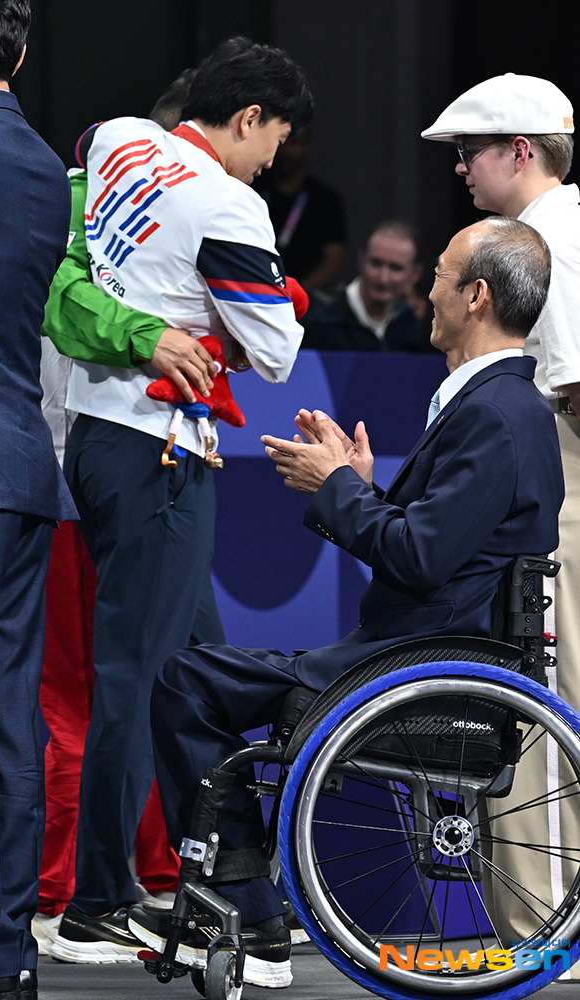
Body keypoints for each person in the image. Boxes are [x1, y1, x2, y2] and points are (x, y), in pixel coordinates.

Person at [126, 216, 564, 988]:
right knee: (196, 679)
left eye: (439, 273)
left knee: (185, 684)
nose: (428, 290)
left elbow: (420, 558)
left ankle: (247, 911)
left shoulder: (497, 414)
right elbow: (438, 546)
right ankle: (245, 903)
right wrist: (357, 487)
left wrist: (339, 488)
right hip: (420, 650)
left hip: (420, 664)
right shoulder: (496, 408)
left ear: (477, 296)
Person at [43, 36, 313, 963]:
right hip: (161, 454)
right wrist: (238, 298)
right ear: (246, 121)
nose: (269, 165)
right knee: (138, 680)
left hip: (99, 439)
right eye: (271, 145)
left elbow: (79, 263)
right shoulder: (229, 200)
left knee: (200, 676)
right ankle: (99, 899)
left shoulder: (114, 136)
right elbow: (275, 350)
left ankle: (228, 886)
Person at [33, 69, 196, 959]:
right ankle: (68, 898)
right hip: (71, 485)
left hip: (107, 482)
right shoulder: (72, 225)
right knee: (86, 696)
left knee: (131, 686)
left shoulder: (141, 237)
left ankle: (133, 883)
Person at [421, 73, 580, 969]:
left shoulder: (546, 240)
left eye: (468, 154)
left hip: (562, 489)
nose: (461, 172)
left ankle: (550, 934)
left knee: (541, 706)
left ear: (521, 153)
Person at [0, 1, 76, 997]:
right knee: (6, 715)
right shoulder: (50, 171)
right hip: (14, 466)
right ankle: (1, 949)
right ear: (24, 53)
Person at [300, 220, 432, 351]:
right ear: (361, 260)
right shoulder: (318, 316)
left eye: (395, 268)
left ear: (416, 273)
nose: (383, 278)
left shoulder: (414, 328)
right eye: (375, 263)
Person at [253, 128, 346, 290]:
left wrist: (293, 294)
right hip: (253, 288)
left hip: (304, 301)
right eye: (282, 143)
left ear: (307, 146)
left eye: (294, 143)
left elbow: (333, 262)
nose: (286, 151)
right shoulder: (253, 189)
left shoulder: (325, 200)